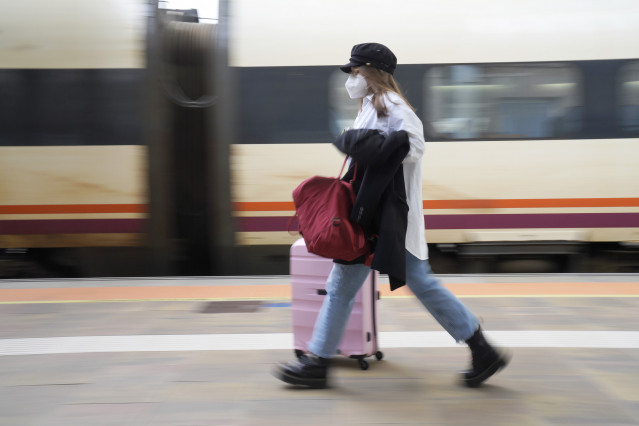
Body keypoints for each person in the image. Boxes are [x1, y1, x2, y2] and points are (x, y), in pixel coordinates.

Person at [274, 43, 510, 389]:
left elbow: (412, 147)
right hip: (370, 218)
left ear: (371, 71)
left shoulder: (397, 109)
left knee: (415, 284)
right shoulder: (370, 105)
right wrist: (359, 141)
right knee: (344, 286)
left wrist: (360, 141)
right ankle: (317, 362)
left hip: (391, 220)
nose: (351, 79)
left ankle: (318, 364)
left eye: (355, 72)